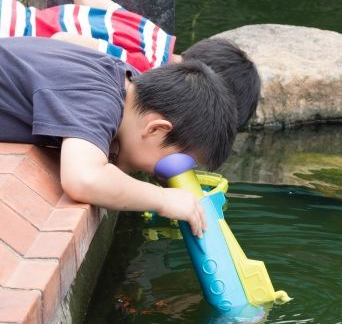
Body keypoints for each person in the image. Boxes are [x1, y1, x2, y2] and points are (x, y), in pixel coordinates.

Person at [0, 36, 238, 236]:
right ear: (155, 129)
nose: (169, 174)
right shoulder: (98, 99)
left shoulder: (124, 83)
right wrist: (163, 199)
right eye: (177, 163)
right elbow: (84, 180)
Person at [0, 0, 260, 130]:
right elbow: (62, 41)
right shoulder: (142, 70)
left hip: (11, 13)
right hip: (10, 40)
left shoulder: (153, 33)